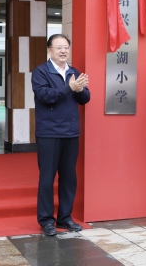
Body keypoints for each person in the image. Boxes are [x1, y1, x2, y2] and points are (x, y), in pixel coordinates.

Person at [31, 34, 90, 236]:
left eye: (66, 47)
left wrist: (80, 89)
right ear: (49, 50)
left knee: (68, 178)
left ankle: (65, 218)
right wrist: (69, 88)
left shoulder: (74, 72)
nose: (63, 51)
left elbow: (85, 98)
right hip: (49, 133)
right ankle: (46, 221)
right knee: (47, 178)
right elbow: (45, 96)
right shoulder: (41, 72)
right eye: (59, 47)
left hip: (71, 133)